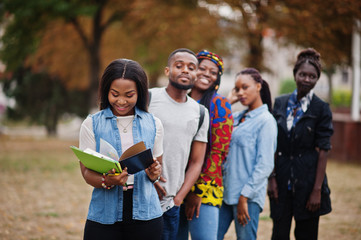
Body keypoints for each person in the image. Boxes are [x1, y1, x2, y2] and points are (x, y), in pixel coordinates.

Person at [78, 59, 164, 240]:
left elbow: (156, 172)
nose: (122, 101)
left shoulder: (154, 124)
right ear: (106, 91)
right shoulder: (91, 124)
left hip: (146, 214)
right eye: (115, 94)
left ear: (139, 93)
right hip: (104, 215)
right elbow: (86, 173)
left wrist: (154, 172)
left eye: (129, 95)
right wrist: (107, 180)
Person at [267, 48, 333, 240]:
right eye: (302, 74)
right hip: (281, 181)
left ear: (317, 79)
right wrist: (271, 179)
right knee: (279, 234)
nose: (306, 79)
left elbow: (323, 151)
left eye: (312, 76)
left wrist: (316, 191)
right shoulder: (279, 103)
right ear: (295, 74)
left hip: (308, 183)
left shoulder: (321, 109)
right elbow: (272, 143)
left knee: (306, 235)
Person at [148, 48, 210, 240]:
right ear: (167, 71)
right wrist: (148, 175)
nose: (185, 70)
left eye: (191, 67)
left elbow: (196, 162)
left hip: (169, 203)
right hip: (140, 194)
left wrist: (178, 198)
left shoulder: (200, 113)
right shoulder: (148, 98)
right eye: (179, 65)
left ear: (196, 74)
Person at [177, 50, 233, 240]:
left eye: (213, 72)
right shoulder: (179, 101)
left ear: (217, 79)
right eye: (202, 68)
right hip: (176, 184)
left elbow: (219, 153)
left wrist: (197, 191)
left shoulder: (220, 105)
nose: (207, 74)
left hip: (205, 187)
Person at [218, 68, 277, 240]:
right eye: (237, 89)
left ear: (258, 86)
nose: (241, 93)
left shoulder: (266, 122)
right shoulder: (235, 117)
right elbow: (216, 123)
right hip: (225, 192)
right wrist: (228, 101)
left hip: (247, 197)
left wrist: (244, 196)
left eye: (245, 87)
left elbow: (265, 165)